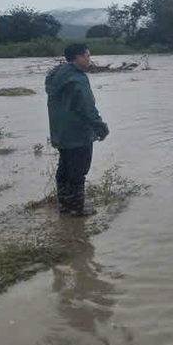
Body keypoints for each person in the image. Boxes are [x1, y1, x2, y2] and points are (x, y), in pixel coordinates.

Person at [46, 43, 110, 216]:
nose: (89, 59)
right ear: (78, 57)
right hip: (78, 133)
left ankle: (65, 204)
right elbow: (87, 107)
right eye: (87, 56)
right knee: (78, 171)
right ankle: (76, 208)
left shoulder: (56, 75)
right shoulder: (77, 78)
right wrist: (100, 127)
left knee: (65, 168)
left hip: (61, 133)